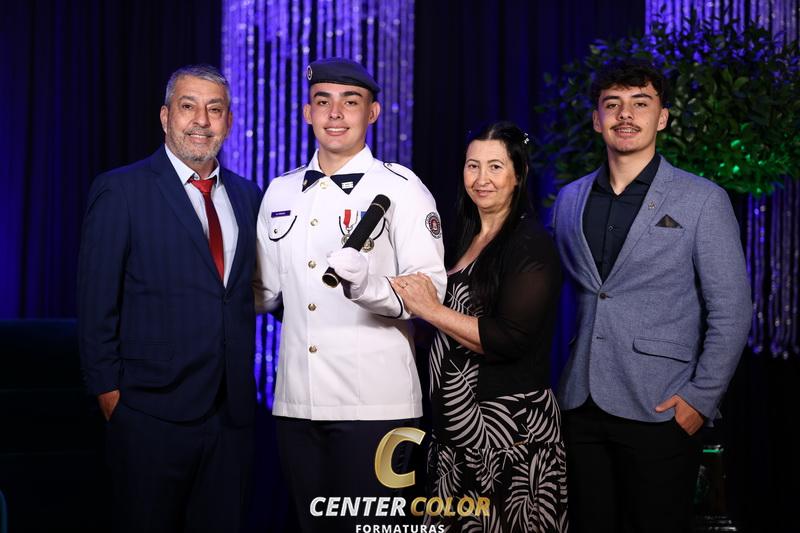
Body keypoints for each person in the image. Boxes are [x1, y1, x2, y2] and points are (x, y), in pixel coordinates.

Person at [551, 59, 752, 533]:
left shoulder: (702, 199)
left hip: (661, 405)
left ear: (661, 118)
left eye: (640, 104)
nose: (625, 114)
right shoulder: (569, 199)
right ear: (596, 119)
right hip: (580, 403)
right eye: (612, 104)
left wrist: (700, 399)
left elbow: (732, 309)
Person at [254, 58, 446, 532]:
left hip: (377, 404)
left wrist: (367, 287)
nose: (335, 113)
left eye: (350, 102)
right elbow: (264, 292)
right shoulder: (279, 191)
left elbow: (430, 291)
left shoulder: (402, 188)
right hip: (298, 403)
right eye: (323, 101)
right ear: (307, 112)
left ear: (373, 113)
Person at [78, 64, 262, 533]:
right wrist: (109, 393)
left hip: (231, 417)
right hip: (149, 412)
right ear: (165, 117)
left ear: (229, 121)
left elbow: (248, 293)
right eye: (188, 106)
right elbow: (96, 301)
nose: (201, 120)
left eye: (215, 109)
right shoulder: (122, 190)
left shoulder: (248, 196)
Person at [392, 121, 568, 533]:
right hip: (455, 438)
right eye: (473, 166)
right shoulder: (459, 239)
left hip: (510, 440)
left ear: (518, 175)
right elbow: (443, 331)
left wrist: (429, 309)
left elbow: (510, 339)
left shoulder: (530, 244)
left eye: (495, 167)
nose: (481, 178)